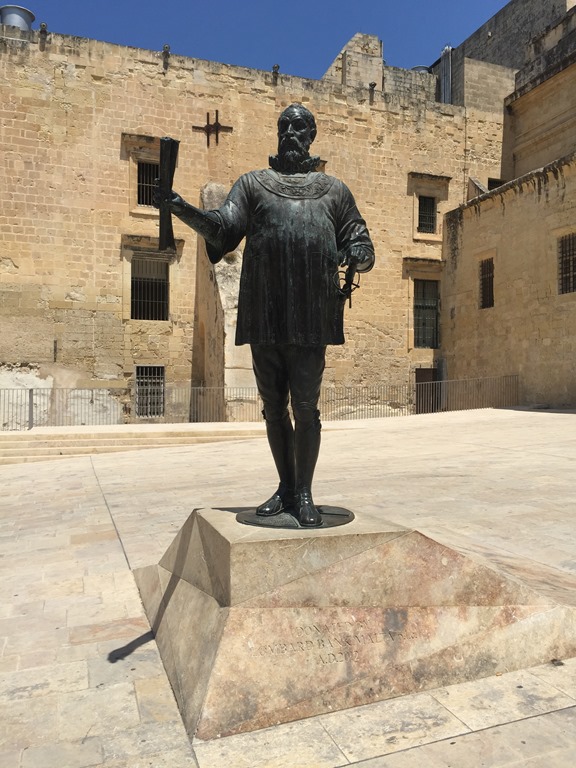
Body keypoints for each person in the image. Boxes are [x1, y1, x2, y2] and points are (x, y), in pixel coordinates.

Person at [162, 104, 374, 527]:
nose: (290, 133)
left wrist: (358, 253)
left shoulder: (334, 191)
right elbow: (223, 228)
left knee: (307, 408)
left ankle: (305, 493)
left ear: (311, 135)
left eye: (299, 126)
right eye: (284, 126)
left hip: (311, 315)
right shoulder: (252, 185)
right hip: (265, 312)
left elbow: (360, 239)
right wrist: (181, 207)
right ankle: (286, 487)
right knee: (273, 408)